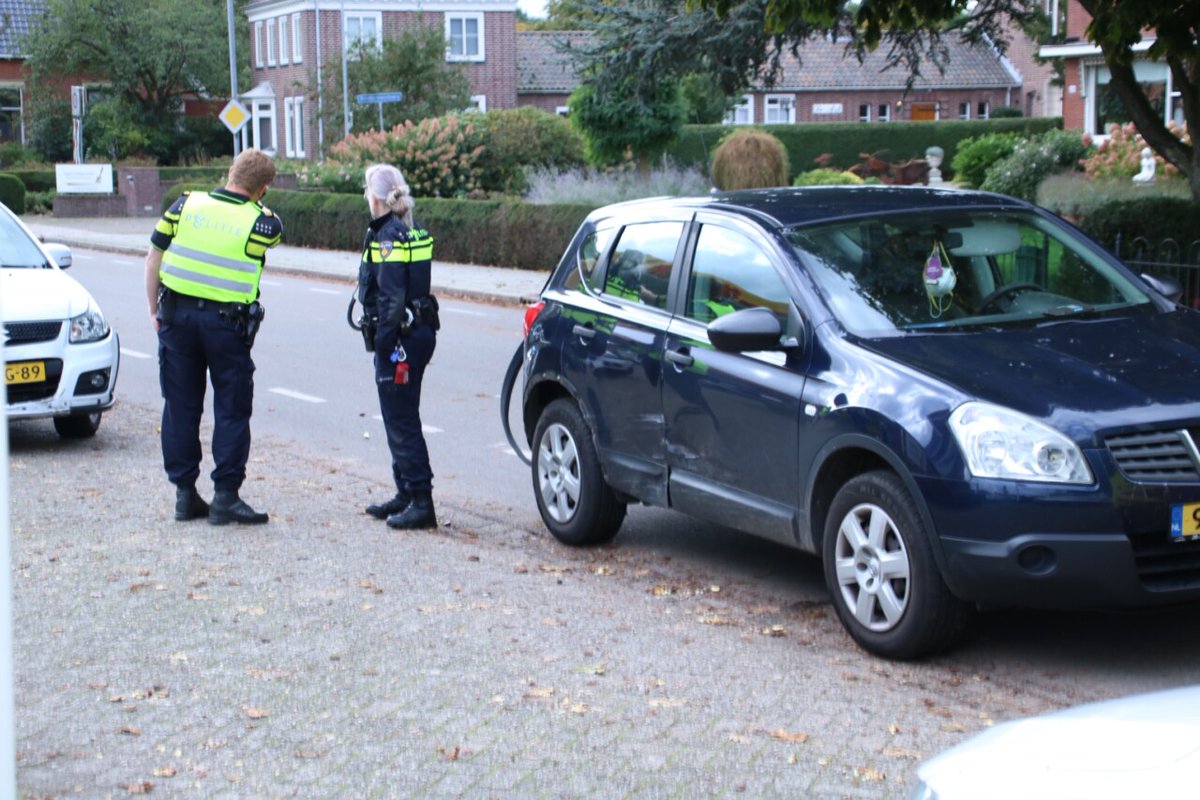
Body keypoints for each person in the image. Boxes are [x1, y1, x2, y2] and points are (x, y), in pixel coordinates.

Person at [143, 148, 283, 525]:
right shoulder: (263, 223)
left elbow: (153, 257)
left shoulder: (184, 205)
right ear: (263, 188)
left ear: (229, 172)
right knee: (231, 408)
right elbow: (266, 238)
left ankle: (184, 495)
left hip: (176, 319)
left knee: (180, 406)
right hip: (227, 326)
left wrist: (154, 311)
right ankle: (225, 497)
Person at [357, 164, 440, 530]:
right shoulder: (412, 229)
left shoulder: (388, 237)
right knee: (400, 415)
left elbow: (391, 300)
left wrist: (384, 345)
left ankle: (421, 501)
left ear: (374, 197)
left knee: (401, 419)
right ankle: (405, 493)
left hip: (400, 340)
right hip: (418, 332)